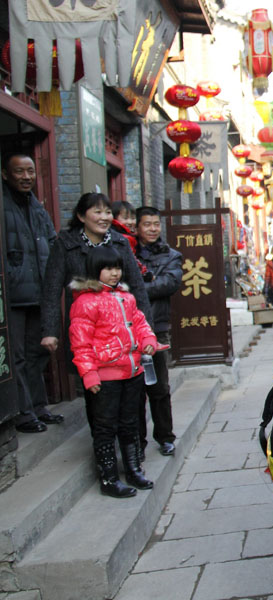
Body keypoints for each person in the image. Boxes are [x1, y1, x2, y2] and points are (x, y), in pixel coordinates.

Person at [68, 247, 157, 498]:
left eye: (117, 268)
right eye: (108, 268)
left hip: (132, 371)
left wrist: (148, 339)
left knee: (130, 423)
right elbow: (80, 342)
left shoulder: (126, 298)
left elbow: (139, 323)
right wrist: (89, 373)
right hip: (105, 376)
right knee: (105, 426)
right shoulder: (85, 302)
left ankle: (133, 469)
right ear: (95, 271)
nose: (114, 273)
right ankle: (108, 478)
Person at [40, 193, 150, 366]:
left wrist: (147, 331)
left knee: (126, 378)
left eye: (107, 212)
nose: (104, 217)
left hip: (120, 327)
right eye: (98, 212)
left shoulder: (120, 243)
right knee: (91, 379)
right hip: (85, 329)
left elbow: (137, 287)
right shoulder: (66, 244)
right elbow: (51, 290)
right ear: (81, 216)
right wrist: (50, 331)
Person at [2, 153, 64, 433]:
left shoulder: (37, 207)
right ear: (5, 174)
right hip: (12, 295)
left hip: (39, 291)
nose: (27, 177)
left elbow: (52, 242)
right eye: (19, 172)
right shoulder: (3, 204)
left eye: (30, 171)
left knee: (38, 352)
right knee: (15, 357)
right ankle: (24, 413)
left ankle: (39, 407)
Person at [134, 206, 181, 457]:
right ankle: (137, 442)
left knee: (160, 386)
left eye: (156, 224)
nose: (152, 229)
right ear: (136, 227)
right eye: (147, 224)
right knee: (135, 390)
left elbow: (170, 283)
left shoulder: (171, 255)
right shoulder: (127, 252)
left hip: (157, 327)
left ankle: (165, 437)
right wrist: (147, 283)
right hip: (129, 329)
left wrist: (136, 287)